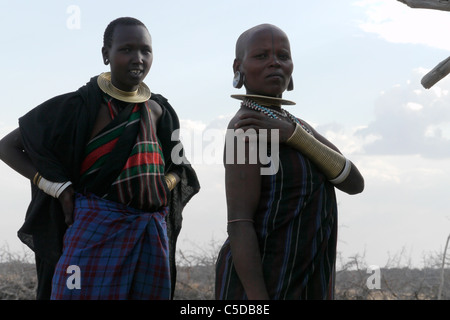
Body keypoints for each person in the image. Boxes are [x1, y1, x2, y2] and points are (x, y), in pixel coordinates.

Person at [0, 17, 199, 300]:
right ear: (106, 54)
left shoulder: (158, 111)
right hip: (94, 227)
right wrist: (57, 188)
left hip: (149, 232)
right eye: (126, 49)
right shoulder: (78, 107)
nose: (138, 58)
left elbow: (179, 167)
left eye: (146, 50)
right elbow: (7, 146)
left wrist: (159, 186)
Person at [215, 24, 364, 300]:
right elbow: (239, 223)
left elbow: (354, 182)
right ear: (239, 67)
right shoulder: (244, 129)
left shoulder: (296, 126)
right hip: (267, 283)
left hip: (306, 281)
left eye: (283, 56)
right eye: (261, 56)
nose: (275, 62)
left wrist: (294, 136)